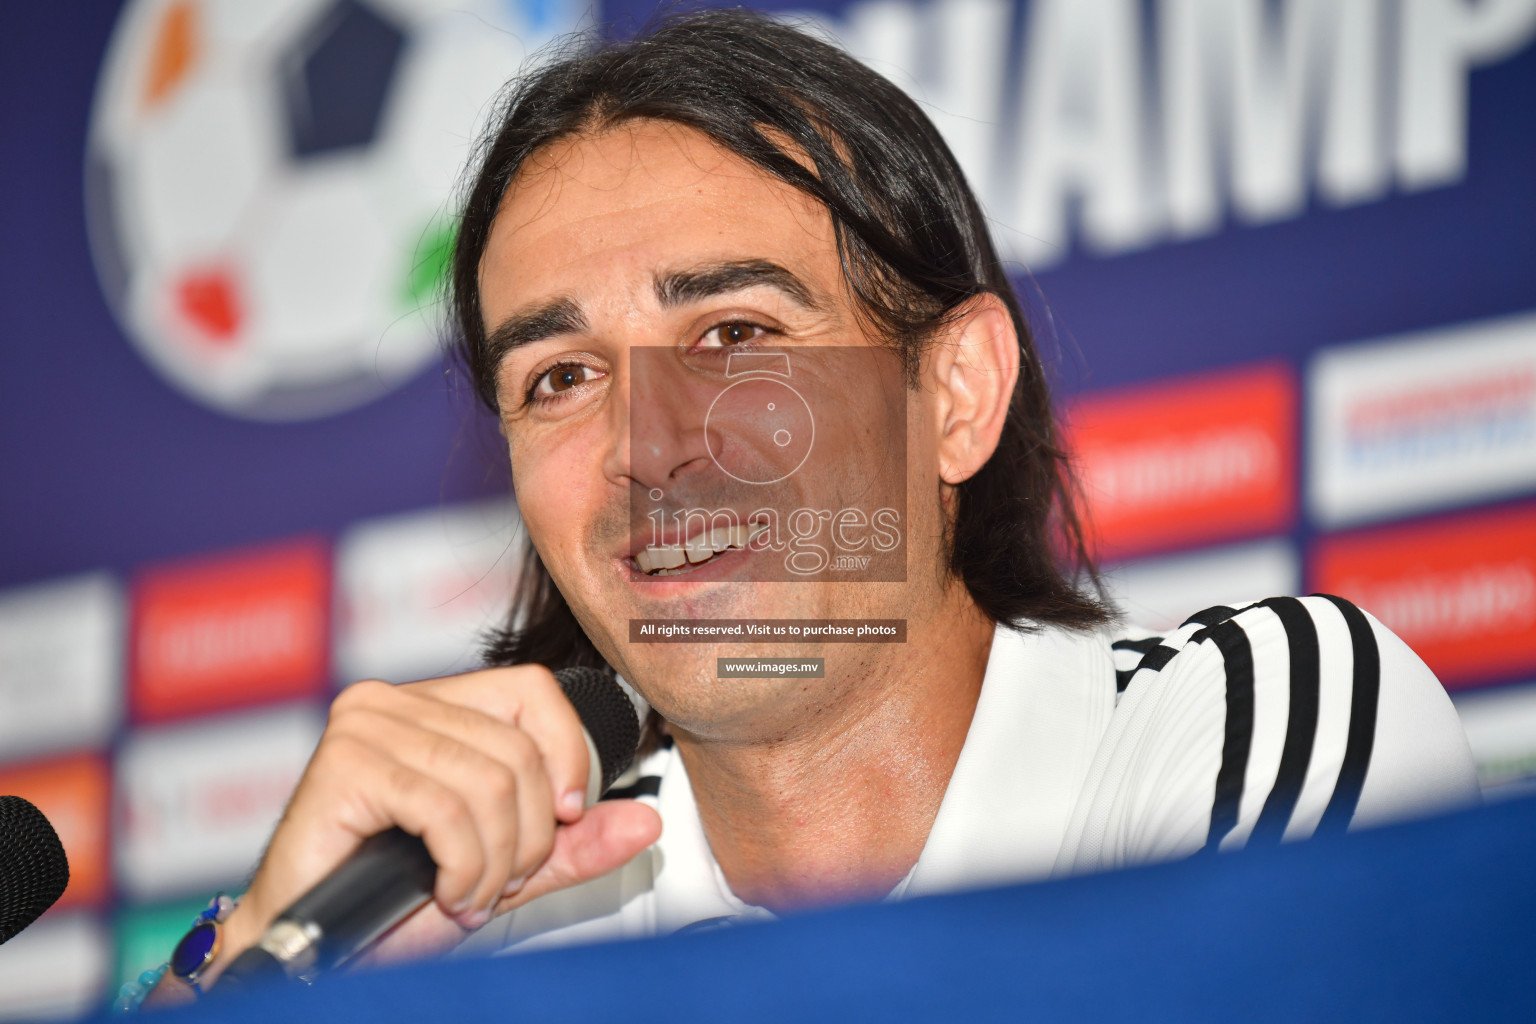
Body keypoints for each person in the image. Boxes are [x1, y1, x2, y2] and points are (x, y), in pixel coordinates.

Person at [148, 7, 1477, 1000]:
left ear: (955, 394)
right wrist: (274, 962)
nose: (646, 448)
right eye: (557, 376)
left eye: (733, 336)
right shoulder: (492, 924)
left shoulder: (1244, 718)